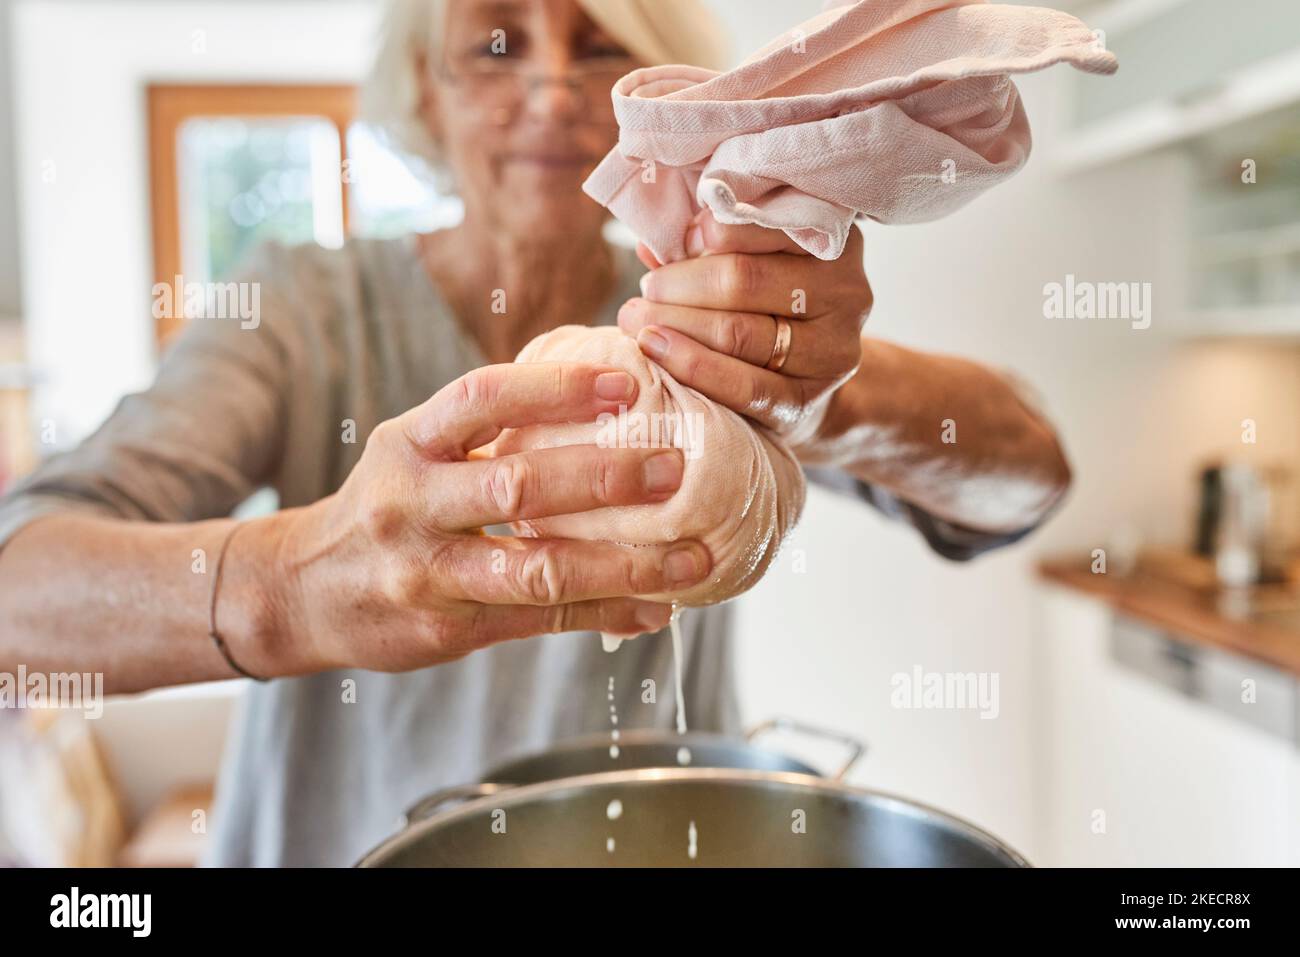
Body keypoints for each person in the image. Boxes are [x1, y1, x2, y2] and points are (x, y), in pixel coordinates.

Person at [0, 0, 1070, 865]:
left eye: (602, 42)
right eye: (496, 43)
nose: (555, 88)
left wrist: (822, 394)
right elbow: (19, 598)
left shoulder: (709, 307)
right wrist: (296, 584)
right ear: (427, 87)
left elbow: (1025, 482)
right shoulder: (306, 308)